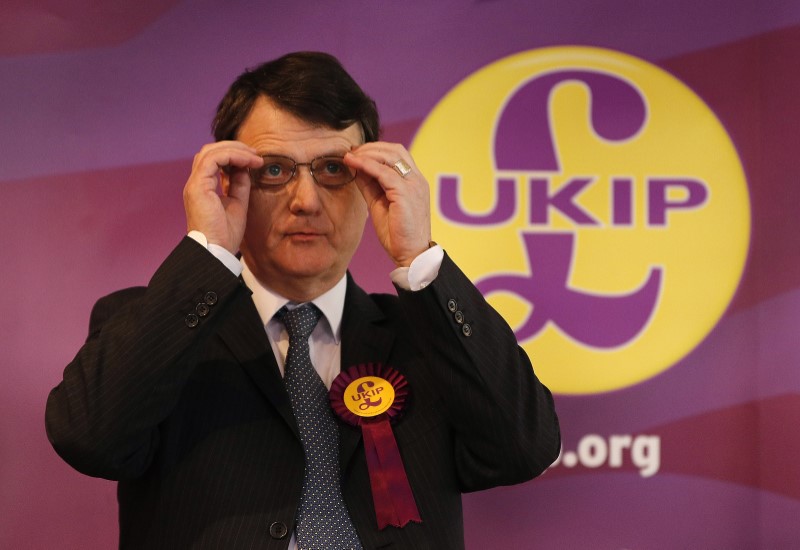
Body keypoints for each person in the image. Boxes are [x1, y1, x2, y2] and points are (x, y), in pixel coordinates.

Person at [45, 51, 560, 550]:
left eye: (334, 169)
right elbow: (91, 439)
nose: (306, 201)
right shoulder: (157, 325)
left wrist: (419, 258)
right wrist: (208, 251)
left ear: (371, 183)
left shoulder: (424, 336)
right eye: (274, 170)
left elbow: (524, 448)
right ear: (228, 180)